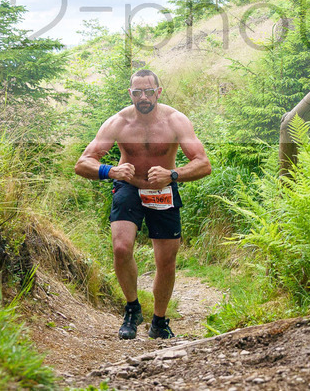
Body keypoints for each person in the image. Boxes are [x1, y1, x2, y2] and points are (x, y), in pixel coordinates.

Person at [74, 69, 211, 339]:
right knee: (121, 247)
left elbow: (203, 164)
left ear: (158, 92)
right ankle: (132, 308)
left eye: (149, 91)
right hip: (129, 186)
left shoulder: (176, 121)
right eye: (138, 92)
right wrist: (110, 171)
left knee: (166, 260)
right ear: (131, 93)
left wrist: (172, 174)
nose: (144, 97)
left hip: (164, 189)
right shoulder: (118, 122)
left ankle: (159, 321)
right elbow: (83, 163)